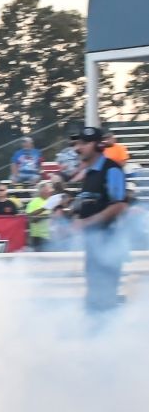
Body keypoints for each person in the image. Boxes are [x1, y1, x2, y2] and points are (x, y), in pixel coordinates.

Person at [65, 126, 129, 314]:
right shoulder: (90, 173)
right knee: (94, 297)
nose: (78, 148)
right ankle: (97, 338)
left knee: (104, 298)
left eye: (84, 143)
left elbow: (120, 205)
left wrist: (86, 222)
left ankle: (109, 337)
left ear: (97, 145)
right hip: (94, 246)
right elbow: (90, 204)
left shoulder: (111, 169)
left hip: (110, 243)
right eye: (78, 143)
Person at [23, 179, 61, 252]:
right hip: (38, 237)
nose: (50, 191)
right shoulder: (34, 202)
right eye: (48, 189)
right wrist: (45, 214)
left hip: (50, 236)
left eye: (50, 189)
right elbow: (30, 218)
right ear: (42, 190)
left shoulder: (50, 201)